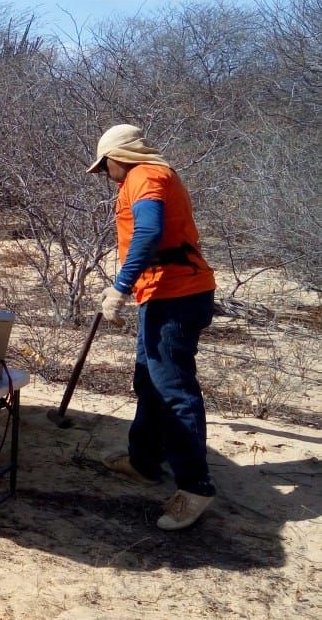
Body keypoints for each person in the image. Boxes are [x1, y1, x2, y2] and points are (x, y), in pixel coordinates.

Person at [87, 124, 217, 531]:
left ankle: (195, 487)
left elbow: (148, 231)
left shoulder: (145, 176)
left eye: (103, 165)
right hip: (160, 294)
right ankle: (143, 461)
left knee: (174, 390)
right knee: (148, 379)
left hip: (177, 296)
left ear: (116, 157)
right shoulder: (148, 176)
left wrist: (119, 287)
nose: (104, 173)